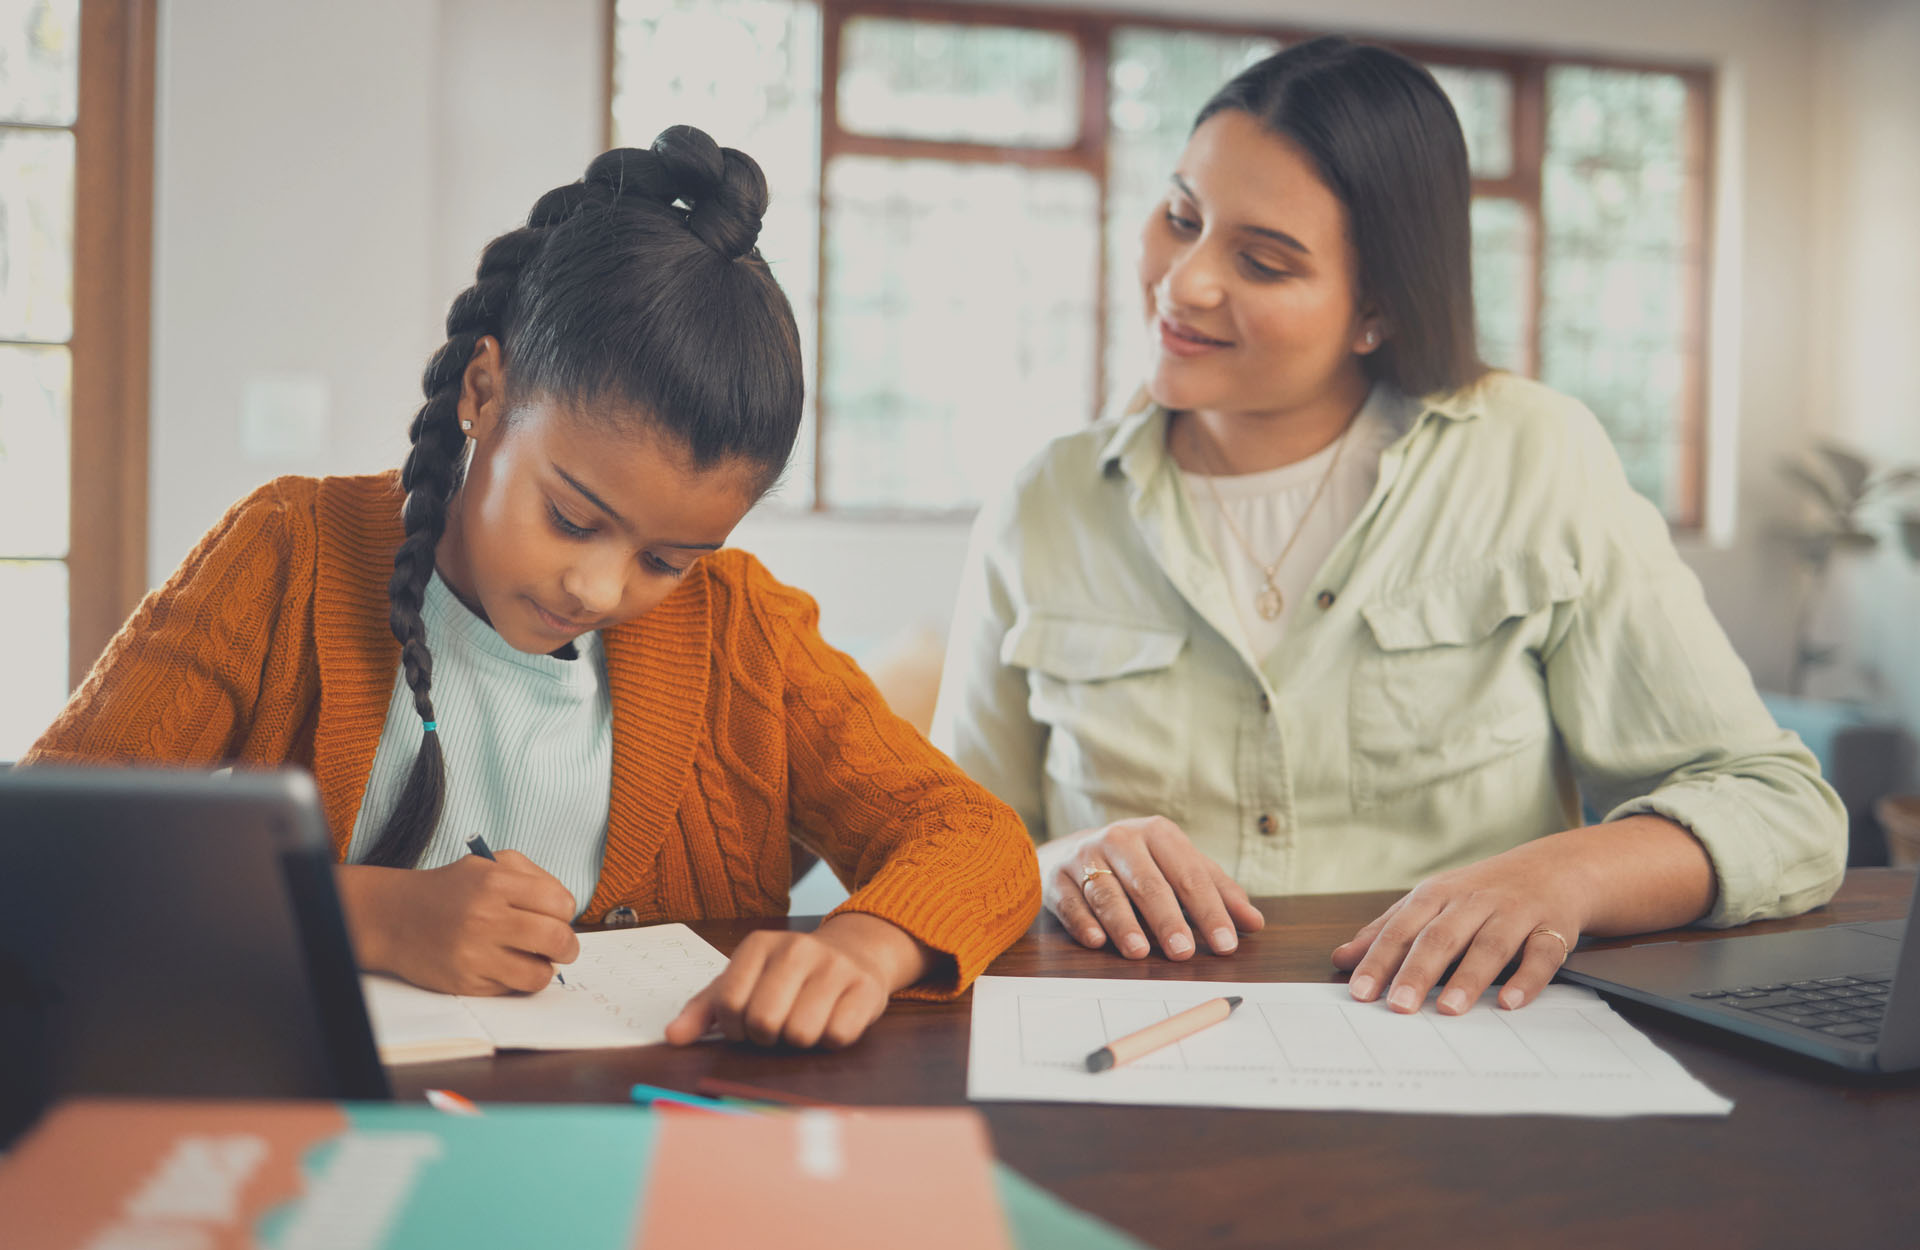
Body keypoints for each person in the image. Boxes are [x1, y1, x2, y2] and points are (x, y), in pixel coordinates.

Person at [28, 126, 1039, 1049]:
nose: (599, 586)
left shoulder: (742, 632)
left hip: (648, 1146)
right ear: (484, 389)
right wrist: (364, 913)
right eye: (573, 517)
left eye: (668, 557)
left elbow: (976, 835)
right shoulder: (289, 555)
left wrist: (865, 943)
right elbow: (40, 847)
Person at [932, 38, 1844, 1018]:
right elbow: (939, 841)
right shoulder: (1045, 501)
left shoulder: (1533, 457)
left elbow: (1779, 806)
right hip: (1127, 1055)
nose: (1184, 282)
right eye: (1182, 218)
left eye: (1264, 262)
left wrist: (1565, 875)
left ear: (1376, 309)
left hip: (1457, 1047)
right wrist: (1058, 860)